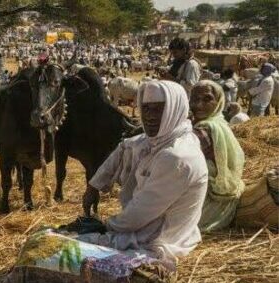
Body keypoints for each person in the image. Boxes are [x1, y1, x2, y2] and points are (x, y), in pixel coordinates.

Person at [76, 80, 208, 265]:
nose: (150, 117)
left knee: (67, 246)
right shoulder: (159, 140)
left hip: (157, 238)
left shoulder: (177, 156)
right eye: (146, 109)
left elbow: (138, 214)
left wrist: (105, 227)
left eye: (159, 109)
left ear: (175, 109)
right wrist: (93, 186)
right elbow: (125, 147)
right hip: (144, 228)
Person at [190, 80, 245, 232]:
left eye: (207, 99)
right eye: (195, 99)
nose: (199, 105)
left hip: (211, 203)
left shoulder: (204, 129)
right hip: (224, 198)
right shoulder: (220, 122)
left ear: (219, 101)